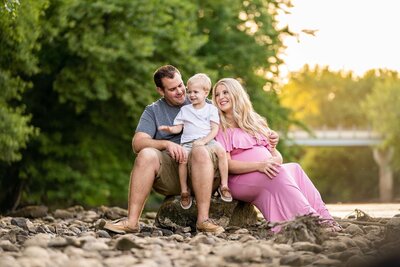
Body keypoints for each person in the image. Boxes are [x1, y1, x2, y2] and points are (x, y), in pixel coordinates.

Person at [104, 65, 226, 234]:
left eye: (181, 85)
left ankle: (203, 221)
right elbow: (137, 143)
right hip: (173, 173)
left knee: (199, 150)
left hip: (205, 169)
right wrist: (165, 144)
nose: (181, 92)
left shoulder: (204, 102)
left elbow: (239, 121)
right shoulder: (153, 110)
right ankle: (131, 222)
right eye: (172, 89)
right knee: (146, 154)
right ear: (160, 91)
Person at [212, 78, 341, 231]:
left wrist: (272, 157)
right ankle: (313, 221)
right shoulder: (219, 126)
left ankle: (326, 219)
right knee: (277, 172)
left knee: (294, 168)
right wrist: (260, 165)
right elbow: (227, 164)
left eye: (225, 92)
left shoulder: (255, 122)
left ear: (236, 93)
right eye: (217, 94)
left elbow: (277, 156)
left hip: (262, 171)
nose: (221, 97)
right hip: (238, 180)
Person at [159, 73, 232, 210]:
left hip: (207, 142)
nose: (191, 95)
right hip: (188, 143)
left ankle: (224, 185)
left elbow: (214, 130)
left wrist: (204, 141)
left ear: (205, 92)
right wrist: (169, 129)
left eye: (195, 92)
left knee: (222, 152)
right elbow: (178, 128)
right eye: (190, 91)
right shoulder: (185, 110)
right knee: (182, 160)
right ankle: (184, 190)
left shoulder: (211, 109)